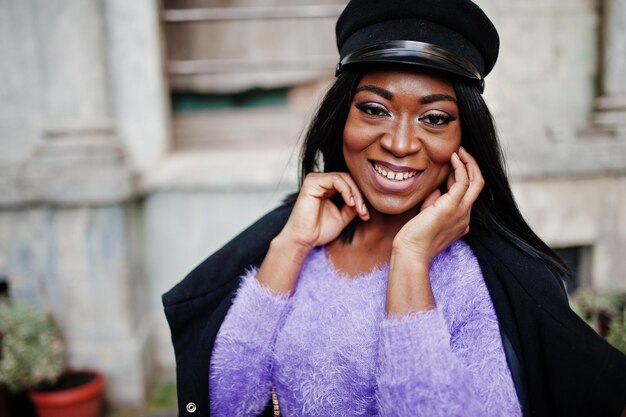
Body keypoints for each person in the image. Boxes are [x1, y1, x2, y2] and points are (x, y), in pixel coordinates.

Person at [163, 0, 626, 416]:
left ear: (465, 143)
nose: (400, 143)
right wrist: (291, 243)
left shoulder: (482, 277)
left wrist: (411, 262)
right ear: (341, 117)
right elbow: (227, 404)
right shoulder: (296, 234)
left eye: (435, 118)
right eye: (375, 110)